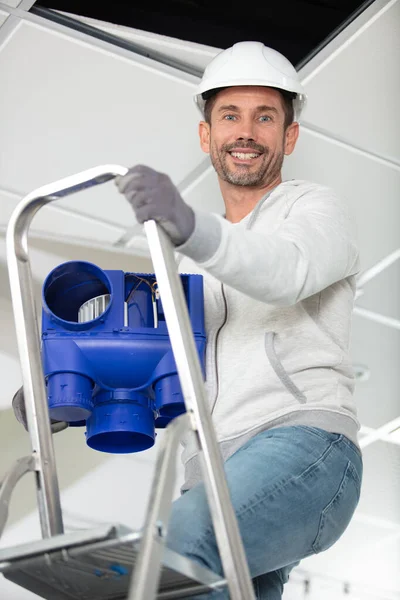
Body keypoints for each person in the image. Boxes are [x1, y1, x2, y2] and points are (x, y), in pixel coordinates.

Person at [13, 41, 363, 600]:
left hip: (302, 447)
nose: (246, 131)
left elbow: (286, 271)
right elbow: (158, 372)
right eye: (230, 115)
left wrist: (188, 223)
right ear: (207, 135)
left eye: (265, 116)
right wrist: (57, 391)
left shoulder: (313, 210)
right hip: (212, 476)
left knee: (171, 550)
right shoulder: (185, 261)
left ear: (288, 136)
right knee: (191, 589)